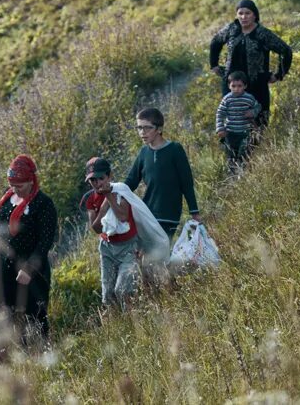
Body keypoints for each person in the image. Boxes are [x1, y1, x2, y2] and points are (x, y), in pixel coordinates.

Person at [0, 154, 58, 355]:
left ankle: (38, 358)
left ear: (31, 181)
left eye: (20, 185)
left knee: (35, 316)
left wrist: (29, 268)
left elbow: (45, 242)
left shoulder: (43, 204)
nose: (15, 189)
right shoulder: (8, 199)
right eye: (12, 185)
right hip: (5, 266)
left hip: (32, 267)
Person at [208, 0, 292, 128]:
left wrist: (279, 74)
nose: (243, 17)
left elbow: (285, 51)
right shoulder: (231, 29)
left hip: (257, 85)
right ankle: (232, 146)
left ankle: (257, 147)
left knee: (259, 121)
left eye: (247, 13)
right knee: (231, 120)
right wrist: (214, 65)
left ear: (255, 15)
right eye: (240, 13)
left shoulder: (262, 33)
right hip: (232, 84)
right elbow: (215, 42)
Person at [124, 106, 201, 238]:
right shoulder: (143, 153)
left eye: (147, 127)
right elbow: (131, 181)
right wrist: (113, 192)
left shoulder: (175, 150)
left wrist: (194, 212)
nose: (142, 132)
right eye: (139, 128)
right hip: (147, 213)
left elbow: (186, 183)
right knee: (146, 255)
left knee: (159, 254)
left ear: (159, 129)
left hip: (169, 215)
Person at [82, 156, 139, 308]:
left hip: (128, 247)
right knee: (108, 294)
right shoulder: (90, 199)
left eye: (100, 178)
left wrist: (109, 196)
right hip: (107, 248)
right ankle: (114, 326)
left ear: (109, 176)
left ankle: (135, 324)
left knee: (123, 290)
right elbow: (95, 228)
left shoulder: (121, 191)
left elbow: (122, 216)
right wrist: (102, 210)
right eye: (92, 180)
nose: (97, 183)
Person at [216, 71, 260, 174]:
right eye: (233, 86)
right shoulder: (227, 99)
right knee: (231, 154)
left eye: (239, 86)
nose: (236, 89)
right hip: (230, 132)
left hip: (245, 132)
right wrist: (220, 128)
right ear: (229, 86)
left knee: (244, 153)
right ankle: (232, 175)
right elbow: (220, 113)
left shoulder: (249, 98)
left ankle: (243, 173)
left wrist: (252, 112)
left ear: (245, 86)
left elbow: (258, 106)